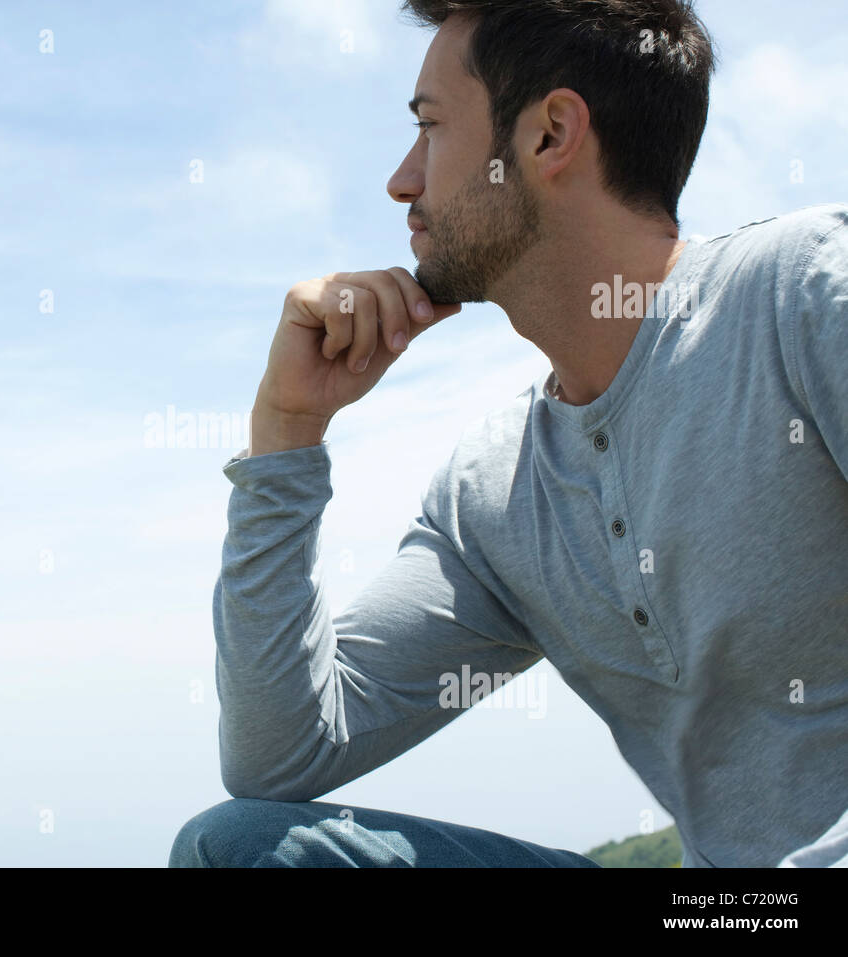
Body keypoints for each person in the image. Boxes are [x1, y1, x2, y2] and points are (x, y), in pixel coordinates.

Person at [169, 0, 848, 867]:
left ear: (550, 134)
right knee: (242, 849)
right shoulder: (495, 495)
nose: (401, 180)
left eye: (430, 129)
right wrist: (287, 430)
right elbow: (280, 753)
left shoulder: (801, 295)